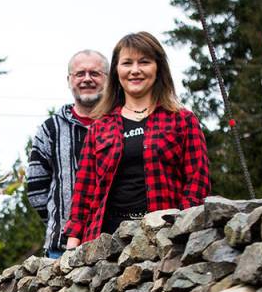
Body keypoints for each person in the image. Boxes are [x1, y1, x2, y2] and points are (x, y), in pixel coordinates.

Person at [64, 32, 210, 249]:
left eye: (144, 62)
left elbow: (198, 182)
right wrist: (72, 245)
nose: (135, 70)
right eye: (127, 63)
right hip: (106, 244)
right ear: (116, 71)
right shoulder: (99, 128)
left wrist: (181, 228)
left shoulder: (182, 120)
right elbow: (84, 192)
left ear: (158, 67)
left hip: (164, 238)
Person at [26, 49, 109, 259]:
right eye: (80, 74)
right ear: (69, 79)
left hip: (115, 242)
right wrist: (60, 219)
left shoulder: (121, 124)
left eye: (95, 73)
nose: (87, 79)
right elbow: (36, 188)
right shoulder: (50, 129)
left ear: (108, 79)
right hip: (60, 249)